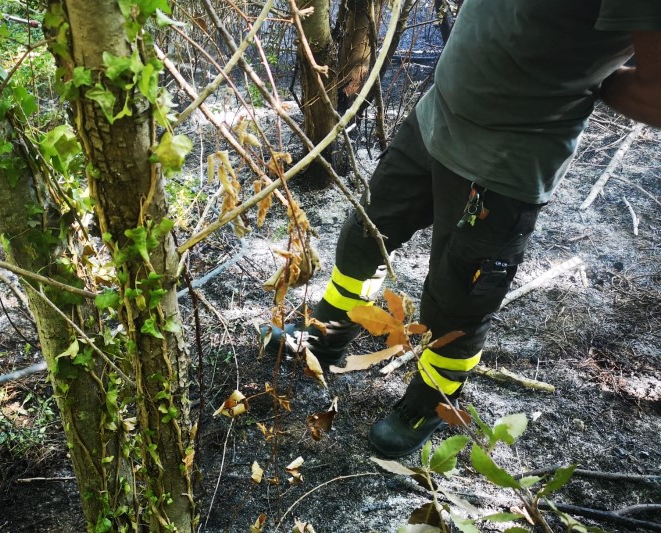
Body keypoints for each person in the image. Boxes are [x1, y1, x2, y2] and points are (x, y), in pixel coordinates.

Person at [265, 0, 661, 458]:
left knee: (457, 302)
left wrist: (587, 82)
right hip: (437, 115)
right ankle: (330, 331)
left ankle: (430, 402)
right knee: (365, 235)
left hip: (505, 162)